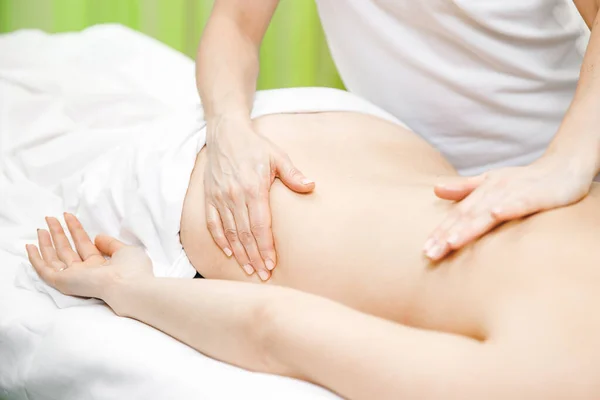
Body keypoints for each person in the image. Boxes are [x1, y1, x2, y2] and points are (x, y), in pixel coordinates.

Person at [28, 99, 600, 399]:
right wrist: (128, 289)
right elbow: (271, 329)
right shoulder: (558, 377)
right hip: (208, 184)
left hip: (374, 132)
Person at [196, 0, 600, 279]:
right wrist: (226, 124)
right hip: (408, 176)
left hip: (565, 162)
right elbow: (234, 25)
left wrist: (566, 164)